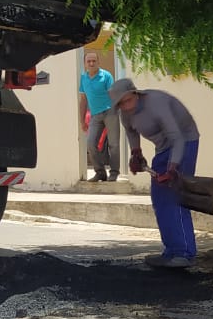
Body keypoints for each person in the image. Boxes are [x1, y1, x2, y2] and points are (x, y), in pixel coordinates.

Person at [110, 78, 200, 268]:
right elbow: (131, 131)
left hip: (184, 141)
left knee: (175, 195)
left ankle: (185, 253)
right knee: (159, 197)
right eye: (121, 104)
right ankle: (171, 251)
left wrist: (172, 168)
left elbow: (177, 138)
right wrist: (136, 153)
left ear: (136, 93)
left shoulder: (157, 103)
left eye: (128, 100)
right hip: (162, 148)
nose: (126, 106)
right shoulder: (125, 113)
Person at [78, 51, 121, 181]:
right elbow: (83, 100)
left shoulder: (106, 76)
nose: (91, 63)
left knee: (113, 145)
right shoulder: (83, 78)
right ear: (85, 64)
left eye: (94, 61)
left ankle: (114, 172)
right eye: (88, 61)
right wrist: (82, 121)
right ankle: (100, 172)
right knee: (91, 143)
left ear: (98, 62)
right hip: (95, 116)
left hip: (110, 113)